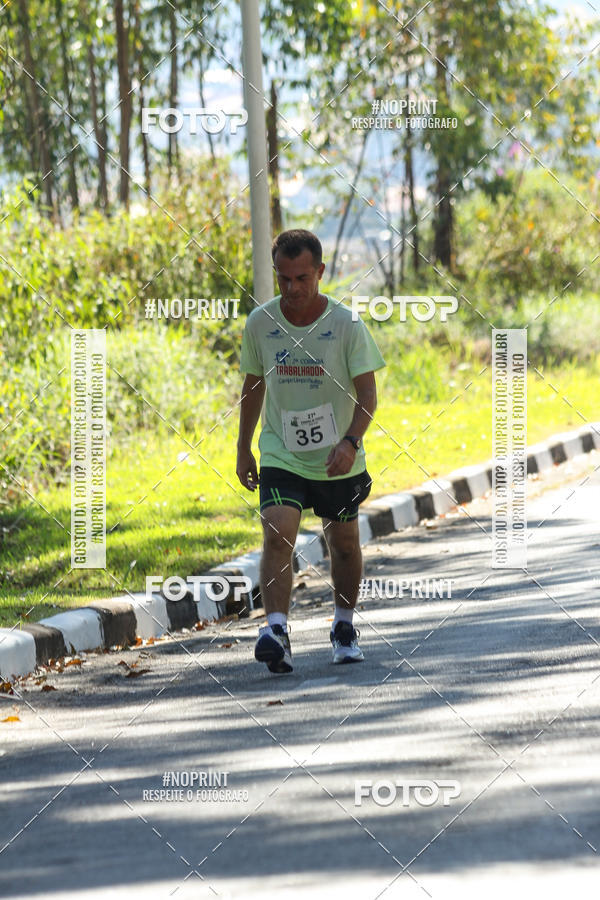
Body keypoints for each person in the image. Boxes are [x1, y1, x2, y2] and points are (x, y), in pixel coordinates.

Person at [236, 229, 385, 673]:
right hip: (282, 452)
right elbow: (253, 386)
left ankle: (343, 625)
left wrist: (350, 441)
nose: (293, 289)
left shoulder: (346, 325)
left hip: (338, 456)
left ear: (320, 272)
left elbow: (368, 396)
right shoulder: (260, 324)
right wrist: (244, 448)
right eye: (284, 279)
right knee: (277, 532)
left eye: (302, 278)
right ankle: (277, 631)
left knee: (343, 544)